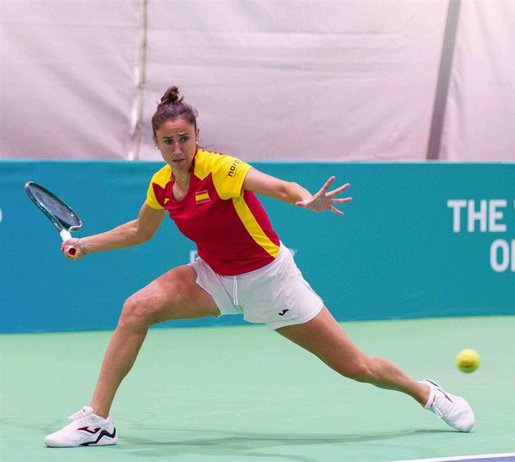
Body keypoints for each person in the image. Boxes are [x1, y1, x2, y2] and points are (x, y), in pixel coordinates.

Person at [44, 86, 475, 448]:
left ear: (197, 136)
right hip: (212, 279)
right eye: (168, 142)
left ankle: (427, 394)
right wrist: (84, 245)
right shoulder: (161, 185)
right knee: (136, 308)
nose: (178, 149)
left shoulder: (221, 169)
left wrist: (306, 200)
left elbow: (280, 187)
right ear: (156, 144)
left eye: (185, 139)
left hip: (271, 283)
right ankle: (97, 422)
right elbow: (140, 229)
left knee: (355, 367)